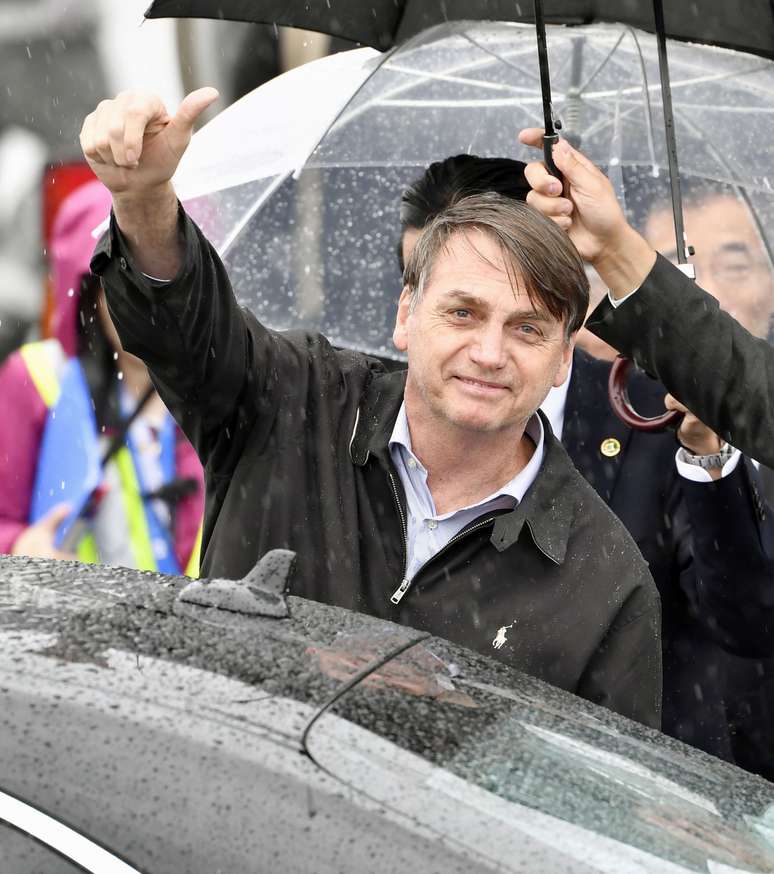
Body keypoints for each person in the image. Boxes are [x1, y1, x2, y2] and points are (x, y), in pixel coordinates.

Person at [78, 89, 662, 726]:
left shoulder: (603, 578)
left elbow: (587, 804)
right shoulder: (293, 399)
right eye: (463, 313)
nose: (490, 352)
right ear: (405, 315)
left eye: (527, 329)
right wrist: (142, 200)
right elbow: (181, 329)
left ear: (563, 359)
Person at [398, 155, 774, 770]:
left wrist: (707, 452)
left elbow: (743, 616)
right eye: (450, 302)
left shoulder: (651, 409)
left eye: (501, 300)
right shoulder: (376, 425)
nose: (481, 347)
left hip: (635, 780)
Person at [518, 128, 774, 470]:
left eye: (735, 266)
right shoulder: (622, 424)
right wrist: (611, 250)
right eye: (677, 273)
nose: (708, 294)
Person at [0, 179, 204, 574]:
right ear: (89, 291)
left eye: (163, 278)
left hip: (198, 632)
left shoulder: (229, 391)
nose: (146, 301)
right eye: (124, 281)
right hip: (75, 628)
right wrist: (20, 545)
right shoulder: (38, 380)